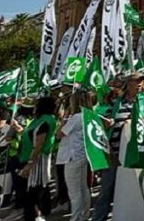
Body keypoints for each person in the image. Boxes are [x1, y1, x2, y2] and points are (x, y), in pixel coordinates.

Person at [92, 72, 144, 221]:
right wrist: (108, 122)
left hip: (135, 153)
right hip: (114, 151)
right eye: (136, 81)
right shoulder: (116, 102)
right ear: (128, 83)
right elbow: (108, 120)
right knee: (106, 189)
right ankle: (99, 218)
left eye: (141, 81)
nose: (139, 83)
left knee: (135, 189)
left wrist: (135, 122)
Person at [18, 96, 58, 221]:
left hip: (37, 161)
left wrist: (30, 165)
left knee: (32, 195)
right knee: (33, 194)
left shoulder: (45, 121)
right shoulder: (38, 119)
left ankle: (37, 216)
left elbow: (38, 145)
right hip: (29, 157)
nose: (34, 106)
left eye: (37, 104)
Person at [58, 90, 93, 221]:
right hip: (82, 154)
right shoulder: (89, 115)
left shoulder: (76, 117)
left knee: (74, 191)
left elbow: (59, 134)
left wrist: (65, 118)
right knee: (83, 187)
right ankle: (84, 215)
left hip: (72, 156)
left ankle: (76, 217)